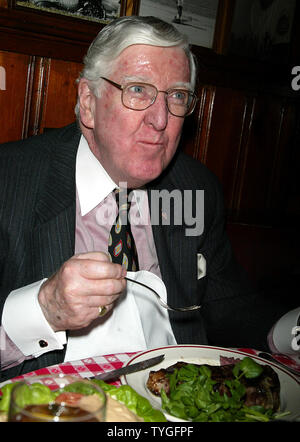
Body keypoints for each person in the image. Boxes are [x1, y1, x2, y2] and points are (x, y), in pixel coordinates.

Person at [0, 16, 298, 382]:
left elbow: (225, 304)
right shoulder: (9, 180)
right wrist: (44, 309)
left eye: (176, 95)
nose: (160, 119)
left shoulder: (193, 187)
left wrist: (293, 331)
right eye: (138, 90)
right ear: (88, 102)